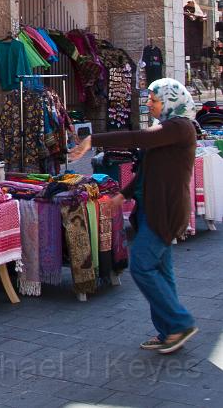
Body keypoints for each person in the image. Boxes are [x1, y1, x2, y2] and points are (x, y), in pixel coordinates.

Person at [69, 78, 198, 354]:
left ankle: (179, 323)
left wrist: (94, 139)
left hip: (166, 211)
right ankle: (169, 332)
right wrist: (124, 195)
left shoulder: (179, 127)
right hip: (154, 209)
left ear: (171, 99)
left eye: (154, 99)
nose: (149, 103)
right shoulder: (168, 128)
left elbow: (137, 138)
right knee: (162, 272)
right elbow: (148, 170)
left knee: (141, 266)